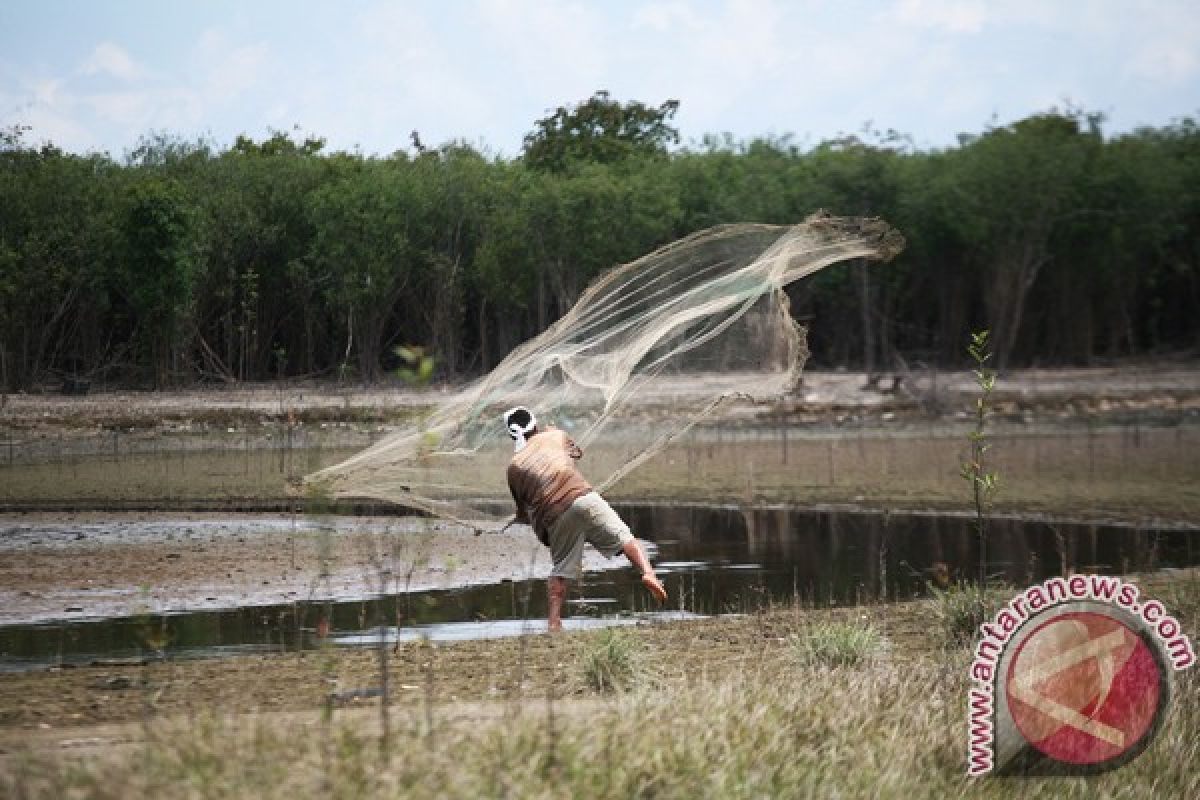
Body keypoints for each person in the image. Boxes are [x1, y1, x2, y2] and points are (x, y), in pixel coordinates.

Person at [503, 406, 667, 631]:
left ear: (511, 435)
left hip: (556, 515)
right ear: (535, 424)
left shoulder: (514, 467)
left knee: (561, 571)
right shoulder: (556, 435)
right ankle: (648, 573)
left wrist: (522, 520)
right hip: (583, 497)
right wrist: (555, 432)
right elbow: (576, 454)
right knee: (626, 539)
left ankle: (554, 622)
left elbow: (523, 511)